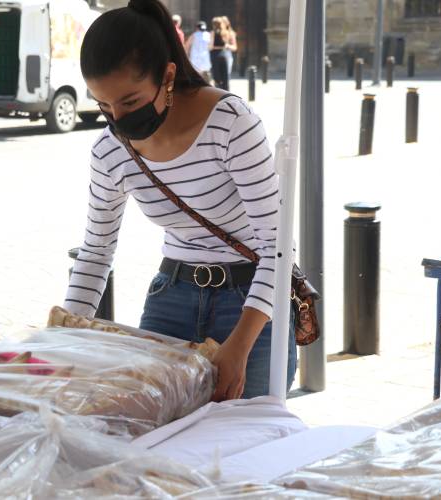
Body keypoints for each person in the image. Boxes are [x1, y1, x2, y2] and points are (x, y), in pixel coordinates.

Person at [64, 0, 296, 401]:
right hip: (171, 299)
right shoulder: (109, 150)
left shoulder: (229, 123)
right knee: (155, 431)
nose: (119, 118)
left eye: (130, 102)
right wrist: (63, 336)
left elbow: (277, 247)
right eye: (104, 106)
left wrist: (239, 345)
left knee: (245, 430)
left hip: (250, 304)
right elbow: (96, 252)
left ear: (167, 76)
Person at [209, 17, 230, 90]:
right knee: (225, 76)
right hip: (224, 54)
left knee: (217, 76)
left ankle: (218, 91)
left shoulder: (212, 33)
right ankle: (226, 91)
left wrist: (213, 47)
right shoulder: (226, 32)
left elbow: (211, 46)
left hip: (215, 55)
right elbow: (226, 45)